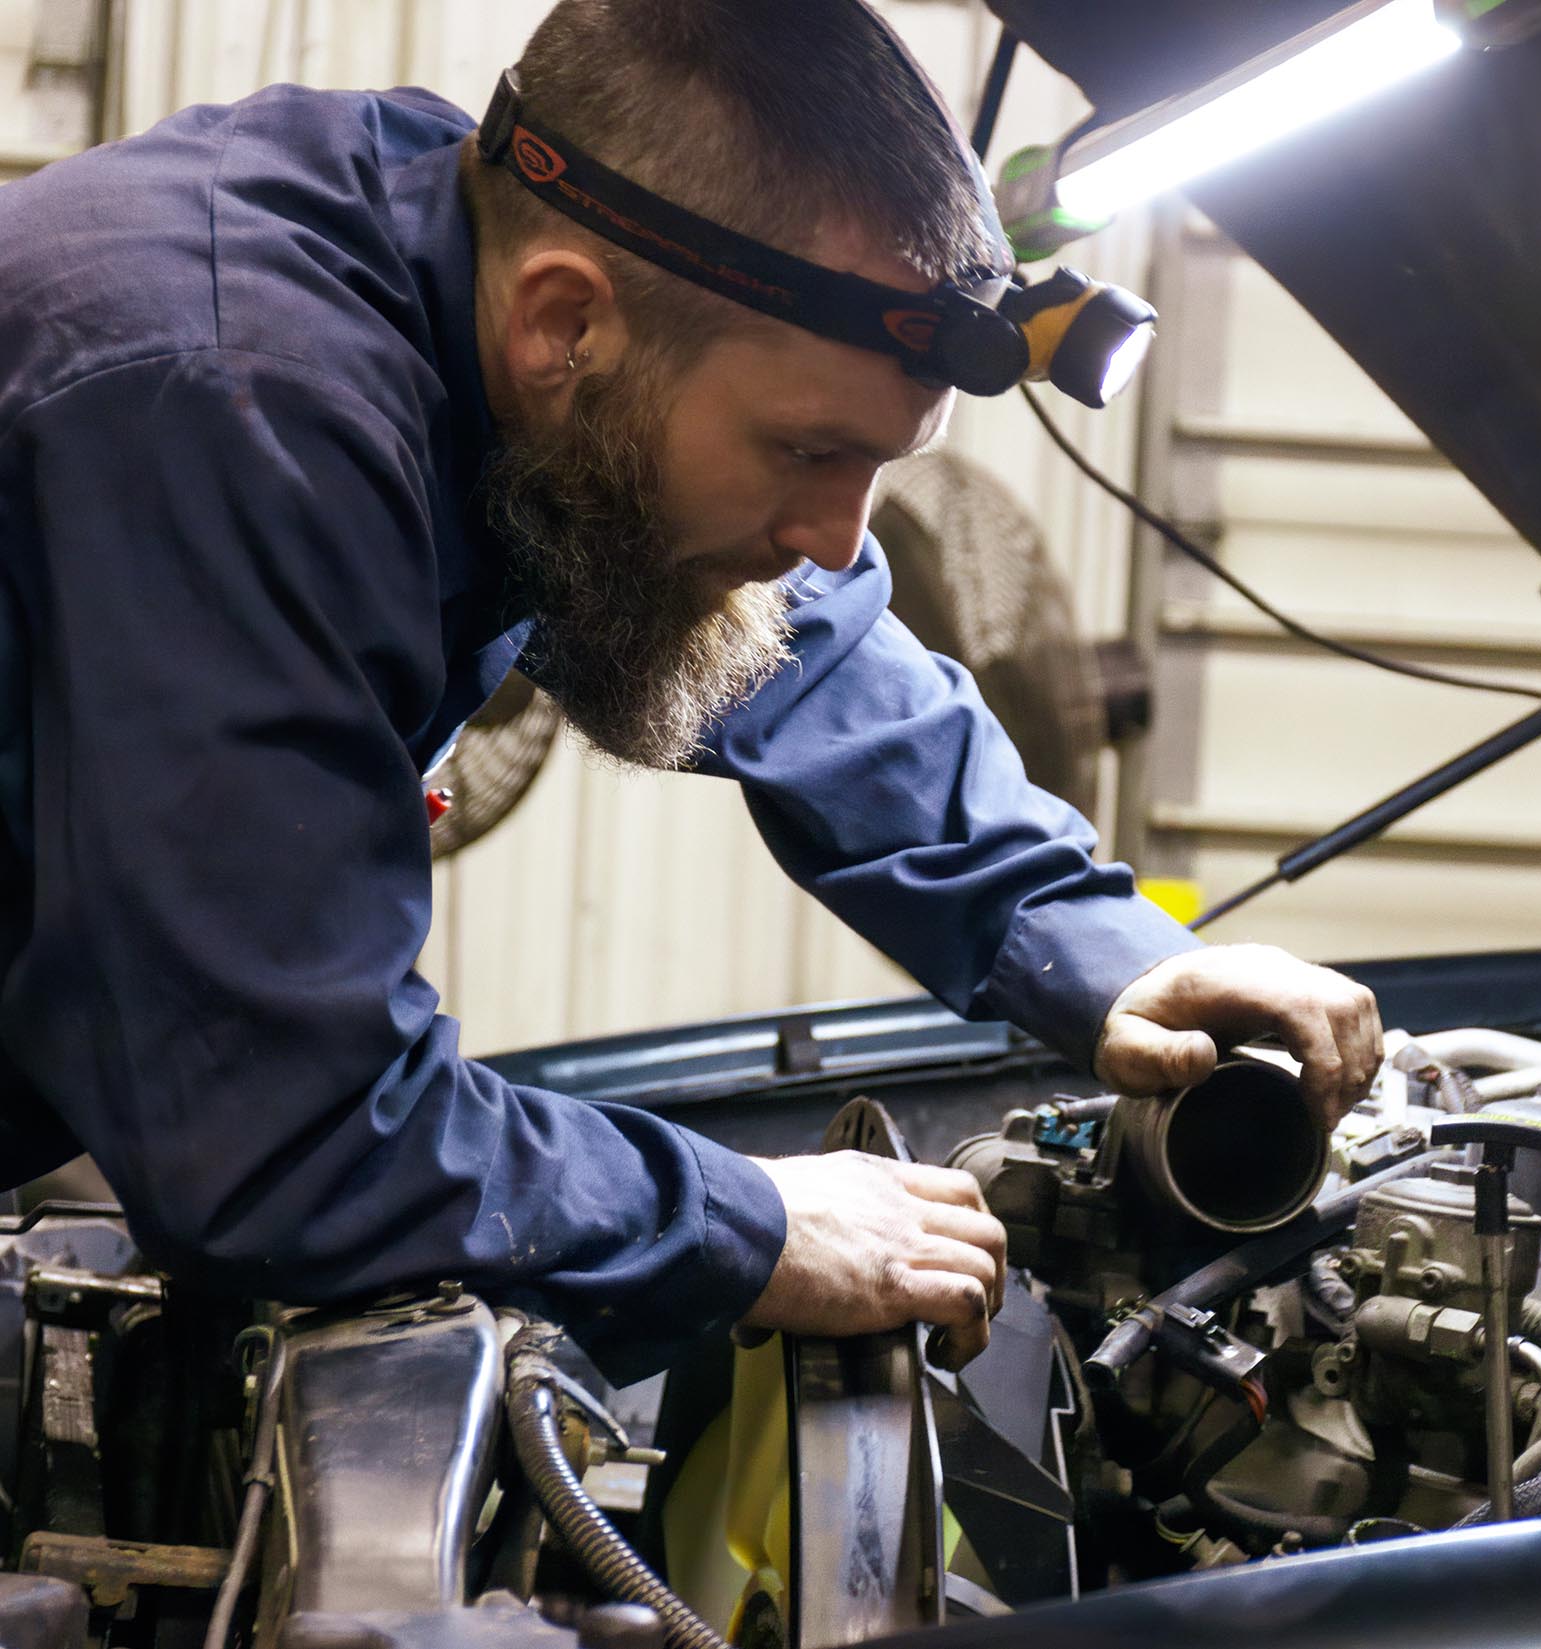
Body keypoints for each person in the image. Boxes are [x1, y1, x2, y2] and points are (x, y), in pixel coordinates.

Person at [0, 0, 1381, 1376]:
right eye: (807, 451)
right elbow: (281, 1137)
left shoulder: (499, 250)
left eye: (878, 467)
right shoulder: (237, 413)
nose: (840, 535)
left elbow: (798, 646)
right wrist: (757, 1222)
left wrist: (1115, 949)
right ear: (564, 325)